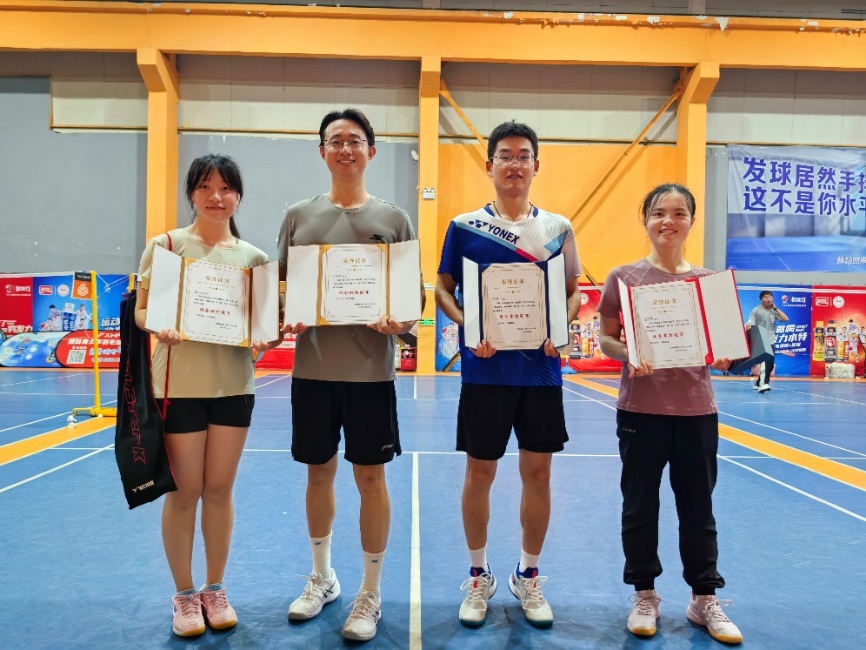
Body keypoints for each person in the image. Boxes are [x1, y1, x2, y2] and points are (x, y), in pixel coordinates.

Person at [278, 108, 421, 642]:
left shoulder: (394, 219)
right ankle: (322, 577)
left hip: (371, 376)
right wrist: (285, 313)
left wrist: (398, 321)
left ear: (371, 151)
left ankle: (370, 592)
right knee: (318, 474)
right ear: (322, 152)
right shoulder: (298, 217)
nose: (345, 149)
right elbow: (281, 291)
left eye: (355, 140)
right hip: (313, 371)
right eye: (335, 141)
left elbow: (411, 303)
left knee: (370, 479)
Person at [435, 121, 581, 629]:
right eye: (505, 155)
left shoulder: (558, 229)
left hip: (540, 373)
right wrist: (467, 325)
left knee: (538, 474)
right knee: (480, 473)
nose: (514, 164)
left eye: (523, 156)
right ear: (490, 164)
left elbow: (573, 294)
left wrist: (560, 328)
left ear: (536, 165)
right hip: (485, 372)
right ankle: (479, 575)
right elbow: (444, 288)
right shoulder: (465, 226)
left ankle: (528, 575)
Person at [135, 154, 275, 637]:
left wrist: (269, 335)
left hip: (233, 386)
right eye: (205, 187)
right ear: (191, 193)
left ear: (238, 196)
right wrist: (159, 326)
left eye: (226, 188)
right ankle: (184, 594)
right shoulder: (167, 246)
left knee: (219, 490)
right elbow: (142, 310)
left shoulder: (254, 258)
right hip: (179, 387)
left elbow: (265, 327)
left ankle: (215, 588)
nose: (216, 197)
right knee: (185, 492)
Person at [597, 183, 743, 644]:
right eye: (659, 212)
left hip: (696, 411)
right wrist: (629, 353)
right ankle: (644, 595)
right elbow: (606, 338)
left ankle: (704, 598)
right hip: (640, 410)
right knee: (640, 505)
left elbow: (725, 350)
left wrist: (724, 356)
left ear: (691, 222)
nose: (669, 221)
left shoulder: (708, 283)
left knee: (698, 507)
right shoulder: (624, 277)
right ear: (646, 220)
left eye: (679, 213)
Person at [746, 290, 788, 392]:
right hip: (760, 340)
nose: (768, 298)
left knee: (770, 365)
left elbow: (785, 319)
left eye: (770, 296)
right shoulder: (756, 310)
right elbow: (749, 325)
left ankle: (758, 384)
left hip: (771, 340)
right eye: (765, 297)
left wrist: (775, 308)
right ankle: (763, 384)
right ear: (761, 300)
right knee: (765, 362)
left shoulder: (773, 311)